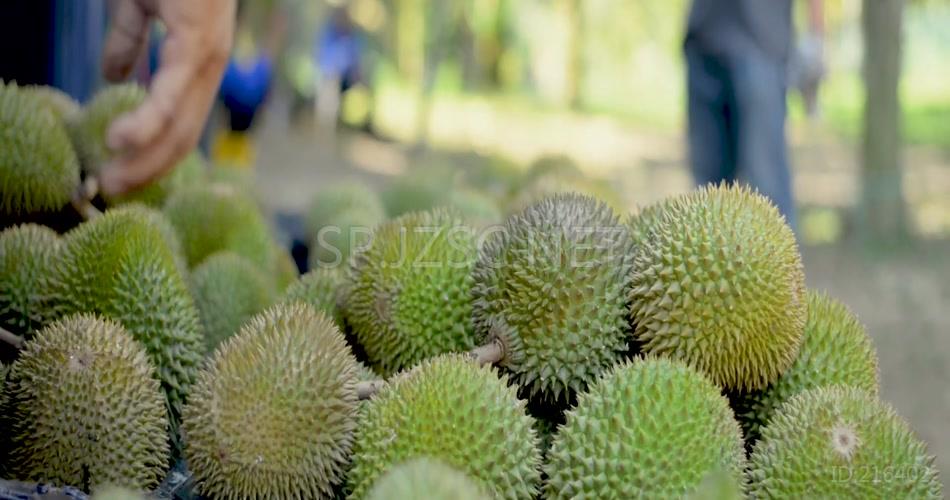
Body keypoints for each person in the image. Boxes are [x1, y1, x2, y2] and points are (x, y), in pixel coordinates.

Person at [684, 0, 824, 231]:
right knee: (706, 194)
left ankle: (783, 268)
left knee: (767, 186)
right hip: (703, 37)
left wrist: (816, 35)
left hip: (760, 41)